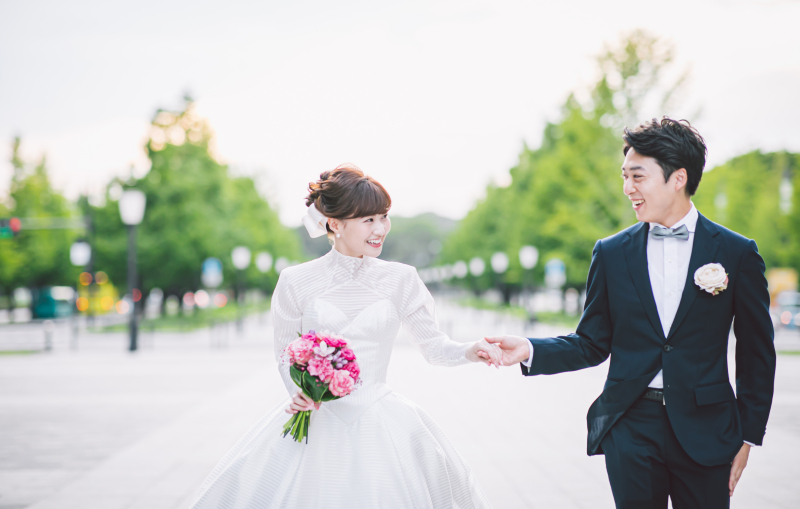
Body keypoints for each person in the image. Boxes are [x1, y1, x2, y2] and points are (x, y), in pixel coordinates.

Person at [487, 118, 776, 508]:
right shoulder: (610, 252)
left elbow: (757, 352)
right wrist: (530, 349)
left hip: (708, 429)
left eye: (638, 177)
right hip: (631, 426)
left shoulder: (737, 252)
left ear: (678, 178)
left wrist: (748, 436)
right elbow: (591, 342)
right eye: (624, 177)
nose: (627, 188)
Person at [188, 164, 499, 509]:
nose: (380, 229)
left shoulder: (403, 279)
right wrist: (299, 392)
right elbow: (285, 353)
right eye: (368, 220)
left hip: (380, 417)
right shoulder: (295, 280)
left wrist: (472, 350)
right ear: (335, 224)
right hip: (318, 416)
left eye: (384, 217)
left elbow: (434, 347)